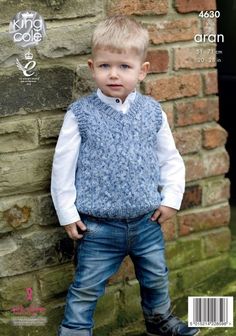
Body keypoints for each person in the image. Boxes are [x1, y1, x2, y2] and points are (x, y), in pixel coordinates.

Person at [51, 15, 199, 336]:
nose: (114, 74)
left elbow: (170, 160)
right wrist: (67, 212)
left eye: (124, 66)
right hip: (98, 227)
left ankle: (160, 323)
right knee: (87, 285)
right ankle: (75, 330)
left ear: (142, 70)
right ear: (92, 67)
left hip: (147, 222)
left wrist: (172, 199)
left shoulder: (151, 112)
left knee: (156, 277)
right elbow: (62, 168)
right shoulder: (80, 114)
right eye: (105, 66)